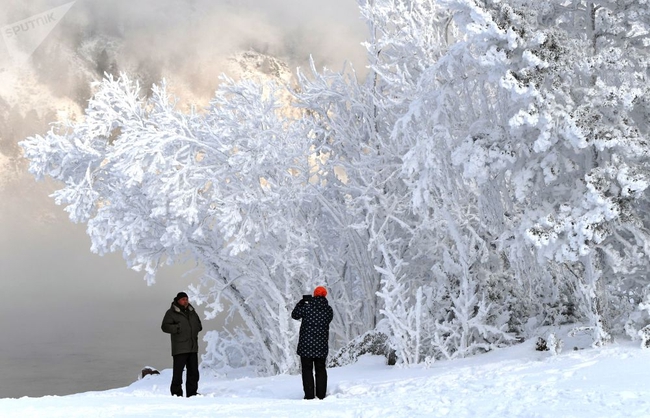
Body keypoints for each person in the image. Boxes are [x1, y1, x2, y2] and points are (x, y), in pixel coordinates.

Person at [291, 286, 333, 400]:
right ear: (325, 295)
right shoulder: (329, 310)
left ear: (314, 295)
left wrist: (302, 302)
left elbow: (294, 315)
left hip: (306, 345)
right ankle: (321, 395)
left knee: (307, 370)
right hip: (321, 346)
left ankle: (309, 395)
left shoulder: (307, 307)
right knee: (321, 370)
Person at [161, 291, 203, 397]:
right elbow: (165, 327)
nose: (186, 301)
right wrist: (178, 328)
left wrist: (197, 328)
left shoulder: (192, 312)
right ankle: (176, 394)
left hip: (192, 347)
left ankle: (192, 393)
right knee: (178, 373)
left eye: (187, 299)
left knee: (193, 373)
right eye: (183, 299)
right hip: (180, 348)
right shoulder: (171, 313)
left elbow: (199, 324)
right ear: (178, 300)